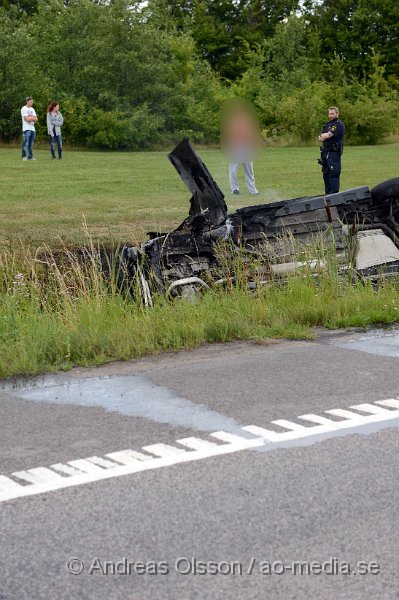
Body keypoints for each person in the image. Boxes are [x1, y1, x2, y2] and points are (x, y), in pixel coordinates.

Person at [221, 98, 261, 196]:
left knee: (249, 171)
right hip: (235, 148)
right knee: (233, 170)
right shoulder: (231, 123)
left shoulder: (247, 122)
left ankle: (253, 190)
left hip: (246, 148)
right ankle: (235, 190)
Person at [318, 106, 346, 194]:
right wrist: (324, 136)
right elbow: (320, 138)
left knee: (333, 173)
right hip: (325, 152)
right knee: (326, 173)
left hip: (334, 152)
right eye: (329, 113)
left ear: (337, 113)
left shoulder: (338, 124)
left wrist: (324, 136)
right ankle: (327, 195)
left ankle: (333, 196)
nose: (330, 115)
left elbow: (328, 135)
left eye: (332, 113)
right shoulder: (327, 124)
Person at [21, 96, 38, 161]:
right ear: (27, 101)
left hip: (32, 128)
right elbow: (26, 119)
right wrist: (31, 118)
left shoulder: (32, 109)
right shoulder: (24, 108)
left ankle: (30, 157)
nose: (32, 103)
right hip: (26, 129)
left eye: (32, 101)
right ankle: (24, 156)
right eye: (31, 101)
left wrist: (30, 118)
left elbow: (36, 119)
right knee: (25, 143)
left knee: (31, 144)